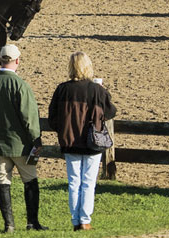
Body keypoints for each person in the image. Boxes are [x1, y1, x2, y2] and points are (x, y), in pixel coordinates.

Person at [0, 44, 48, 233]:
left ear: (0, 59)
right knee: (30, 181)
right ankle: (32, 223)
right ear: (17, 60)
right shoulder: (21, 86)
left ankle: (9, 224)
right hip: (21, 145)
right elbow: (29, 118)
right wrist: (36, 140)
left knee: (3, 181)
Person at [48, 51, 117, 232]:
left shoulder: (62, 89)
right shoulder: (97, 90)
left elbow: (52, 118)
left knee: (73, 181)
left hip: (69, 140)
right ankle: (85, 220)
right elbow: (110, 112)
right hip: (92, 141)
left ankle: (75, 220)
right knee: (88, 181)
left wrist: (64, 130)